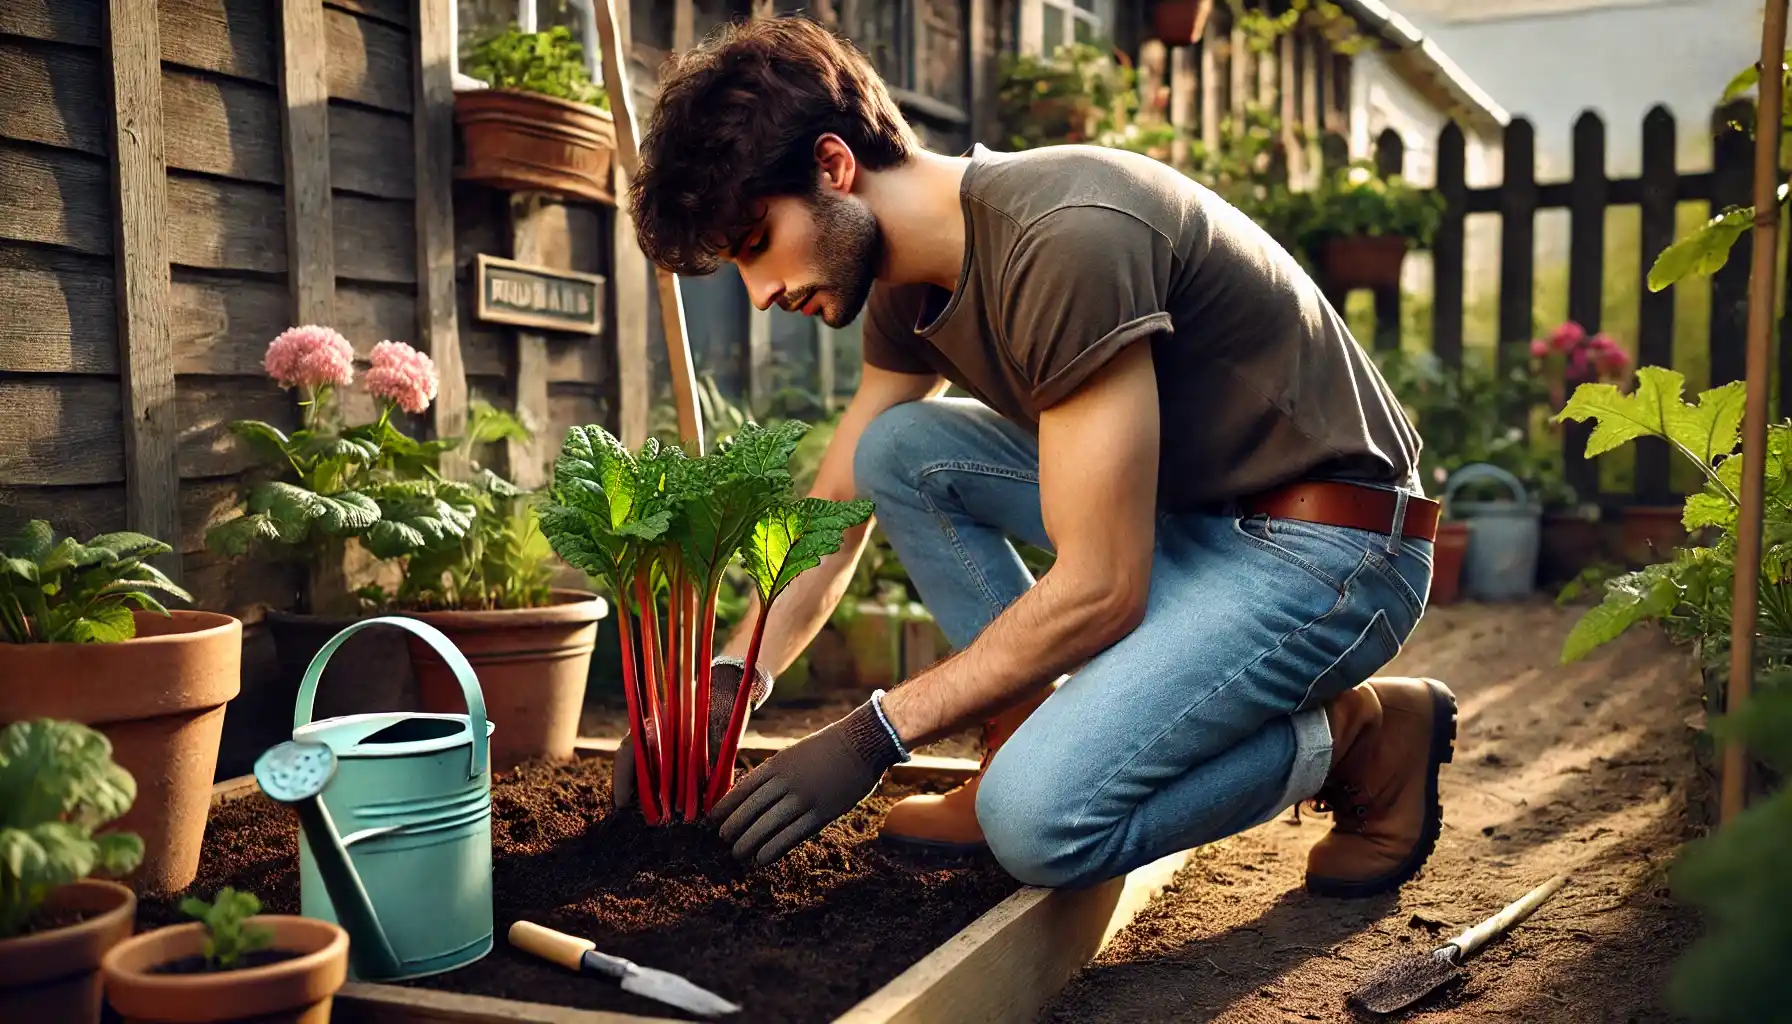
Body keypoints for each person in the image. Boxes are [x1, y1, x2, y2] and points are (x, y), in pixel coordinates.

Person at [615, 15, 1456, 898]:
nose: (759, 293)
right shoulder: (907, 288)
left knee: (1038, 824)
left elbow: (1102, 588)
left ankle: (1355, 735)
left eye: (754, 244)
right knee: (897, 450)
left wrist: (876, 734)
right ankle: (1020, 741)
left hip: (1333, 553)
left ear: (833, 166)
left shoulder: (1064, 238)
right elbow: (838, 502)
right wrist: (728, 682)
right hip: (1201, 524)